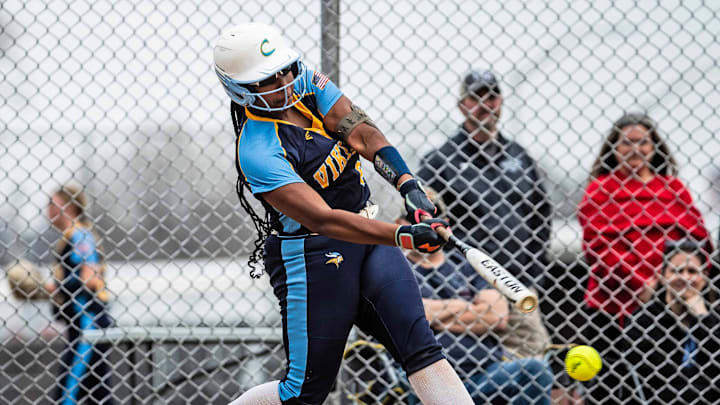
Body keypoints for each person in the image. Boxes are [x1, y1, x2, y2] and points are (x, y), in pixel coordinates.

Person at [213, 23, 473, 405]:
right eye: (268, 80)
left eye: (285, 69)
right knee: (304, 393)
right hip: (313, 257)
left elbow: (362, 133)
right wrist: (404, 236)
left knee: (421, 349)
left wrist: (409, 187)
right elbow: (324, 220)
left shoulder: (309, 85)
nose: (284, 81)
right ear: (240, 90)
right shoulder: (257, 149)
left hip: (367, 237)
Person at [417, 69, 551, 359]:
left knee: (532, 362)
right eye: (475, 98)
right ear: (462, 105)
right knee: (470, 368)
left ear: (501, 102)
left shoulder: (519, 156)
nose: (484, 104)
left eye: (491, 97)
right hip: (466, 288)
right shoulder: (442, 159)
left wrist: (533, 276)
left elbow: (541, 218)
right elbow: (421, 211)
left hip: (516, 281)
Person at [577, 112, 710, 403]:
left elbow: (699, 243)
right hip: (612, 308)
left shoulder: (673, 189)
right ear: (614, 147)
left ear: (654, 147)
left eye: (643, 142)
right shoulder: (601, 189)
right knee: (610, 390)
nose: (635, 149)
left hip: (673, 308)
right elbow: (598, 247)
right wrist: (640, 284)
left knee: (669, 388)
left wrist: (675, 284)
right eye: (626, 143)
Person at [395, 189, 553, 404]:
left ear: (445, 223)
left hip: (486, 373)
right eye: (415, 220)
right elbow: (414, 316)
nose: (426, 227)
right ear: (399, 222)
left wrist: (436, 315)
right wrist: (466, 307)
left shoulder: (467, 264)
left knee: (536, 370)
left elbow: (496, 316)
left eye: (434, 218)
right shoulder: (396, 268)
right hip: (429, 381)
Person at [625, 239, 720, 404]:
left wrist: (703, 317)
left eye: (692, 271)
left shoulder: (713, 319)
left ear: (704, 278)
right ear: (663, 277)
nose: (685, 277)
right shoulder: (644, 320)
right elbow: (657, 380)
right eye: (677, 270)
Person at [44, 185, 114, 405]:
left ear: (70, 207)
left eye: (53, 205)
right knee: (97, 395)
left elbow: (89, 277)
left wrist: (56, 288)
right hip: (81, 322)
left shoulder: (80, 235)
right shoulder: (70, 236)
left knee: (68, 394)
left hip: (87, 321)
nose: (48, 210)